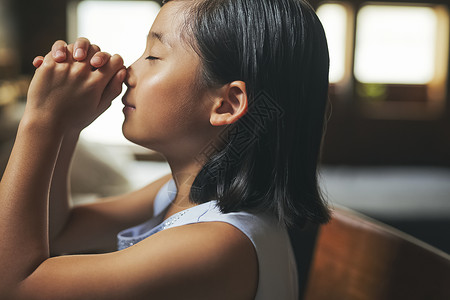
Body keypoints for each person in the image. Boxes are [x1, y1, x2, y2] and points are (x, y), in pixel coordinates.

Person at [0, 0, 330, 299]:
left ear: (226, 104)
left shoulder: (217, 244)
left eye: (154, 57)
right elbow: (59, 231)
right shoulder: (180, 191)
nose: (129, 72)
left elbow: (15, 285)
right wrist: (68, 127)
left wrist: (41, 121)